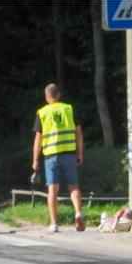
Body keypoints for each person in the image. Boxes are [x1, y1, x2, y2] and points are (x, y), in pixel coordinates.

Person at [32, 83, 85, 233]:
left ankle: (54, 224)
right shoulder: (69, 109)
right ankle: (78, 213)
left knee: (52, 189)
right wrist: (79, 153)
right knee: (73, 186)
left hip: (51, 156)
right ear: (59, 95)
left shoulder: (42, 112)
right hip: (69, 153)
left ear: (47, 97)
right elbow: (78, 133)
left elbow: (38, 138)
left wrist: (35, 159)